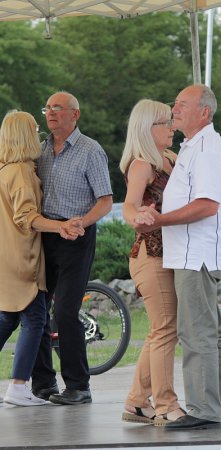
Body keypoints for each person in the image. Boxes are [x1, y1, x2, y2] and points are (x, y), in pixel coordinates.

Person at [136, 84, 221, 430]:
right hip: (190, 252)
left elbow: (206, 205)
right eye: (175, 104)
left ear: (204, 111)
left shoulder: (208, 149)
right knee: (210, 331)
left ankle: (203, 408)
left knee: (196, 332)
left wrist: (160, 219)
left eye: (182, 104)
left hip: (195, 254)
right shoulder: (194, 147)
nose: (175, 110)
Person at [31, 92, 113, 405]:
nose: (50, 113)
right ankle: (43, 384)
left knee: (64, 310)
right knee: (35, 308)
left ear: (74, 115)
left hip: (76, 237)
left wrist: (82, 222)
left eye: (57, 108)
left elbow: (105, 201)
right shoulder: (41, 151)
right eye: (47, 108)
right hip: (47, 234)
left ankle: (79, 386)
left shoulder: (91, 151)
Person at [0, 110, 84, 406]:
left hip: (6, 257)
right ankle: (19, 387)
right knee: (35, 319)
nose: (38, 134)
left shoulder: (5, 169)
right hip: (23, 257)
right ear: (24, 135)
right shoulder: (21, 171)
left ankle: (20, 386)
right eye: (34, 129)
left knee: (8, 318)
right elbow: (26, 217)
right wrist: (59, 226)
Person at [119, 99, 185, 425]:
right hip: (150, 256)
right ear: (148, 128)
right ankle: (165, 406)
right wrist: (138, 216)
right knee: (165, 330)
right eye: (166, 122)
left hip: (170, 254)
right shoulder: (142, 164)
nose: (173, 127)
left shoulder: (172, 158)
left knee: (161, 330)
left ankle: (136, 402)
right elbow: (129, 205)